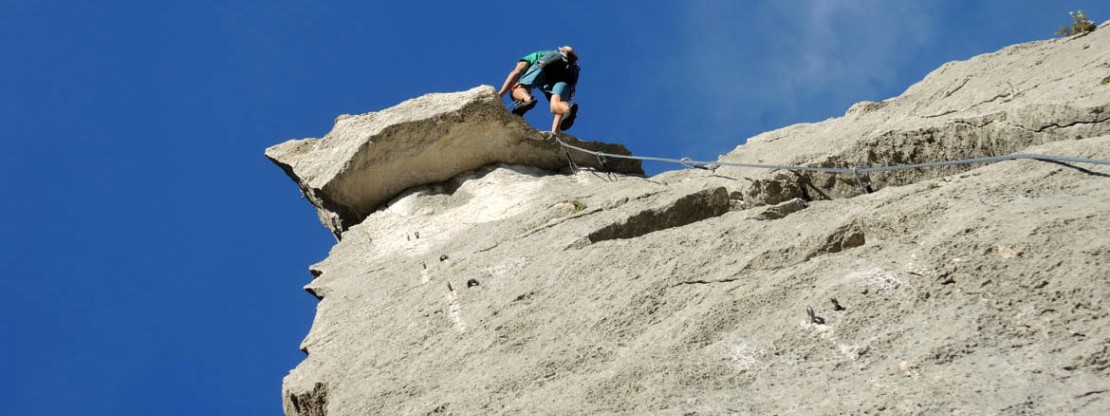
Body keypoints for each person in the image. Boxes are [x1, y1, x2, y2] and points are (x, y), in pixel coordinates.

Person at [497, 46, 580, 134]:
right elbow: (558, 113)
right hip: (571, 70)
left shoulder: (530, 58)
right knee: (556, 103)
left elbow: (516, 72)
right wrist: (555, 133)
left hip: (551, 60)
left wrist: (499, 95)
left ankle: (526, 100)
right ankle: (567, 109)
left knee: (517, 88)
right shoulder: (545, 84)